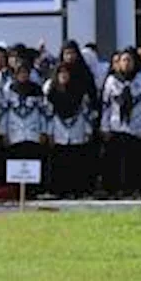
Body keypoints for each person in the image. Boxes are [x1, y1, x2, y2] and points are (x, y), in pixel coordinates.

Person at [100, 49, 141, 196]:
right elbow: (105, 105)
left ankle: (136, 188)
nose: (126, 63)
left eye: (129, 60)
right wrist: (104, 127)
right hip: (116, 125)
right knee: (116, 160)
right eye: (123, 60)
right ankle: (116, 189)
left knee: (136, 159)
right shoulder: (112, 81)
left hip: (137, 125)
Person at [45, 63, 97, 198]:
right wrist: (49, 133)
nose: (63, 75)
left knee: (76, 161)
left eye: (66, 72)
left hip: (77, 130)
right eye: (60, 72)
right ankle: (59, 190)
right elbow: (48, 115)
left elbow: (86, 112)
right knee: (59, 161)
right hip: (58, 131)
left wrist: (88, 131)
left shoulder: (80, 92)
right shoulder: (51, 93)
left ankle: (77, 189)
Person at [0, 62, 49, 196]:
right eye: (20, 73)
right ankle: (17, 192)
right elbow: (4, 113)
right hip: (15, 133)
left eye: (26, 73)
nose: (23, 75)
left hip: (33, 132)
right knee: (16, 162)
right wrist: (4, 133)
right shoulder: (9, 90)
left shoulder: (37, 90)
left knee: (33, 162)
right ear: (15, 74)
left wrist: (43, 131)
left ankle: (33, 191)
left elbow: (43, 113)